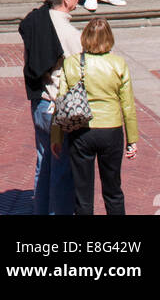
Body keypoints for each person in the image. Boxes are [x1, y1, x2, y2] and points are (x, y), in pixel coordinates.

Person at [52, 17, 138, 216]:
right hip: (111, 130)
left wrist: (56, 137)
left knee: (82, 195)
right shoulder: (118, 64)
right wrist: (132, 139)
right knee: (113, 190)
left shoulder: (72, 63)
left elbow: (61, 102)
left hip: (81, 130)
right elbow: (128, 105)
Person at [19, 0, 82, 215]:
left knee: (43, 163)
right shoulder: (72, 35)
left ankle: (41, 211)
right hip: (59, 107)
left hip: (38, 102)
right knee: (62, 170)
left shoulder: (34, 21)